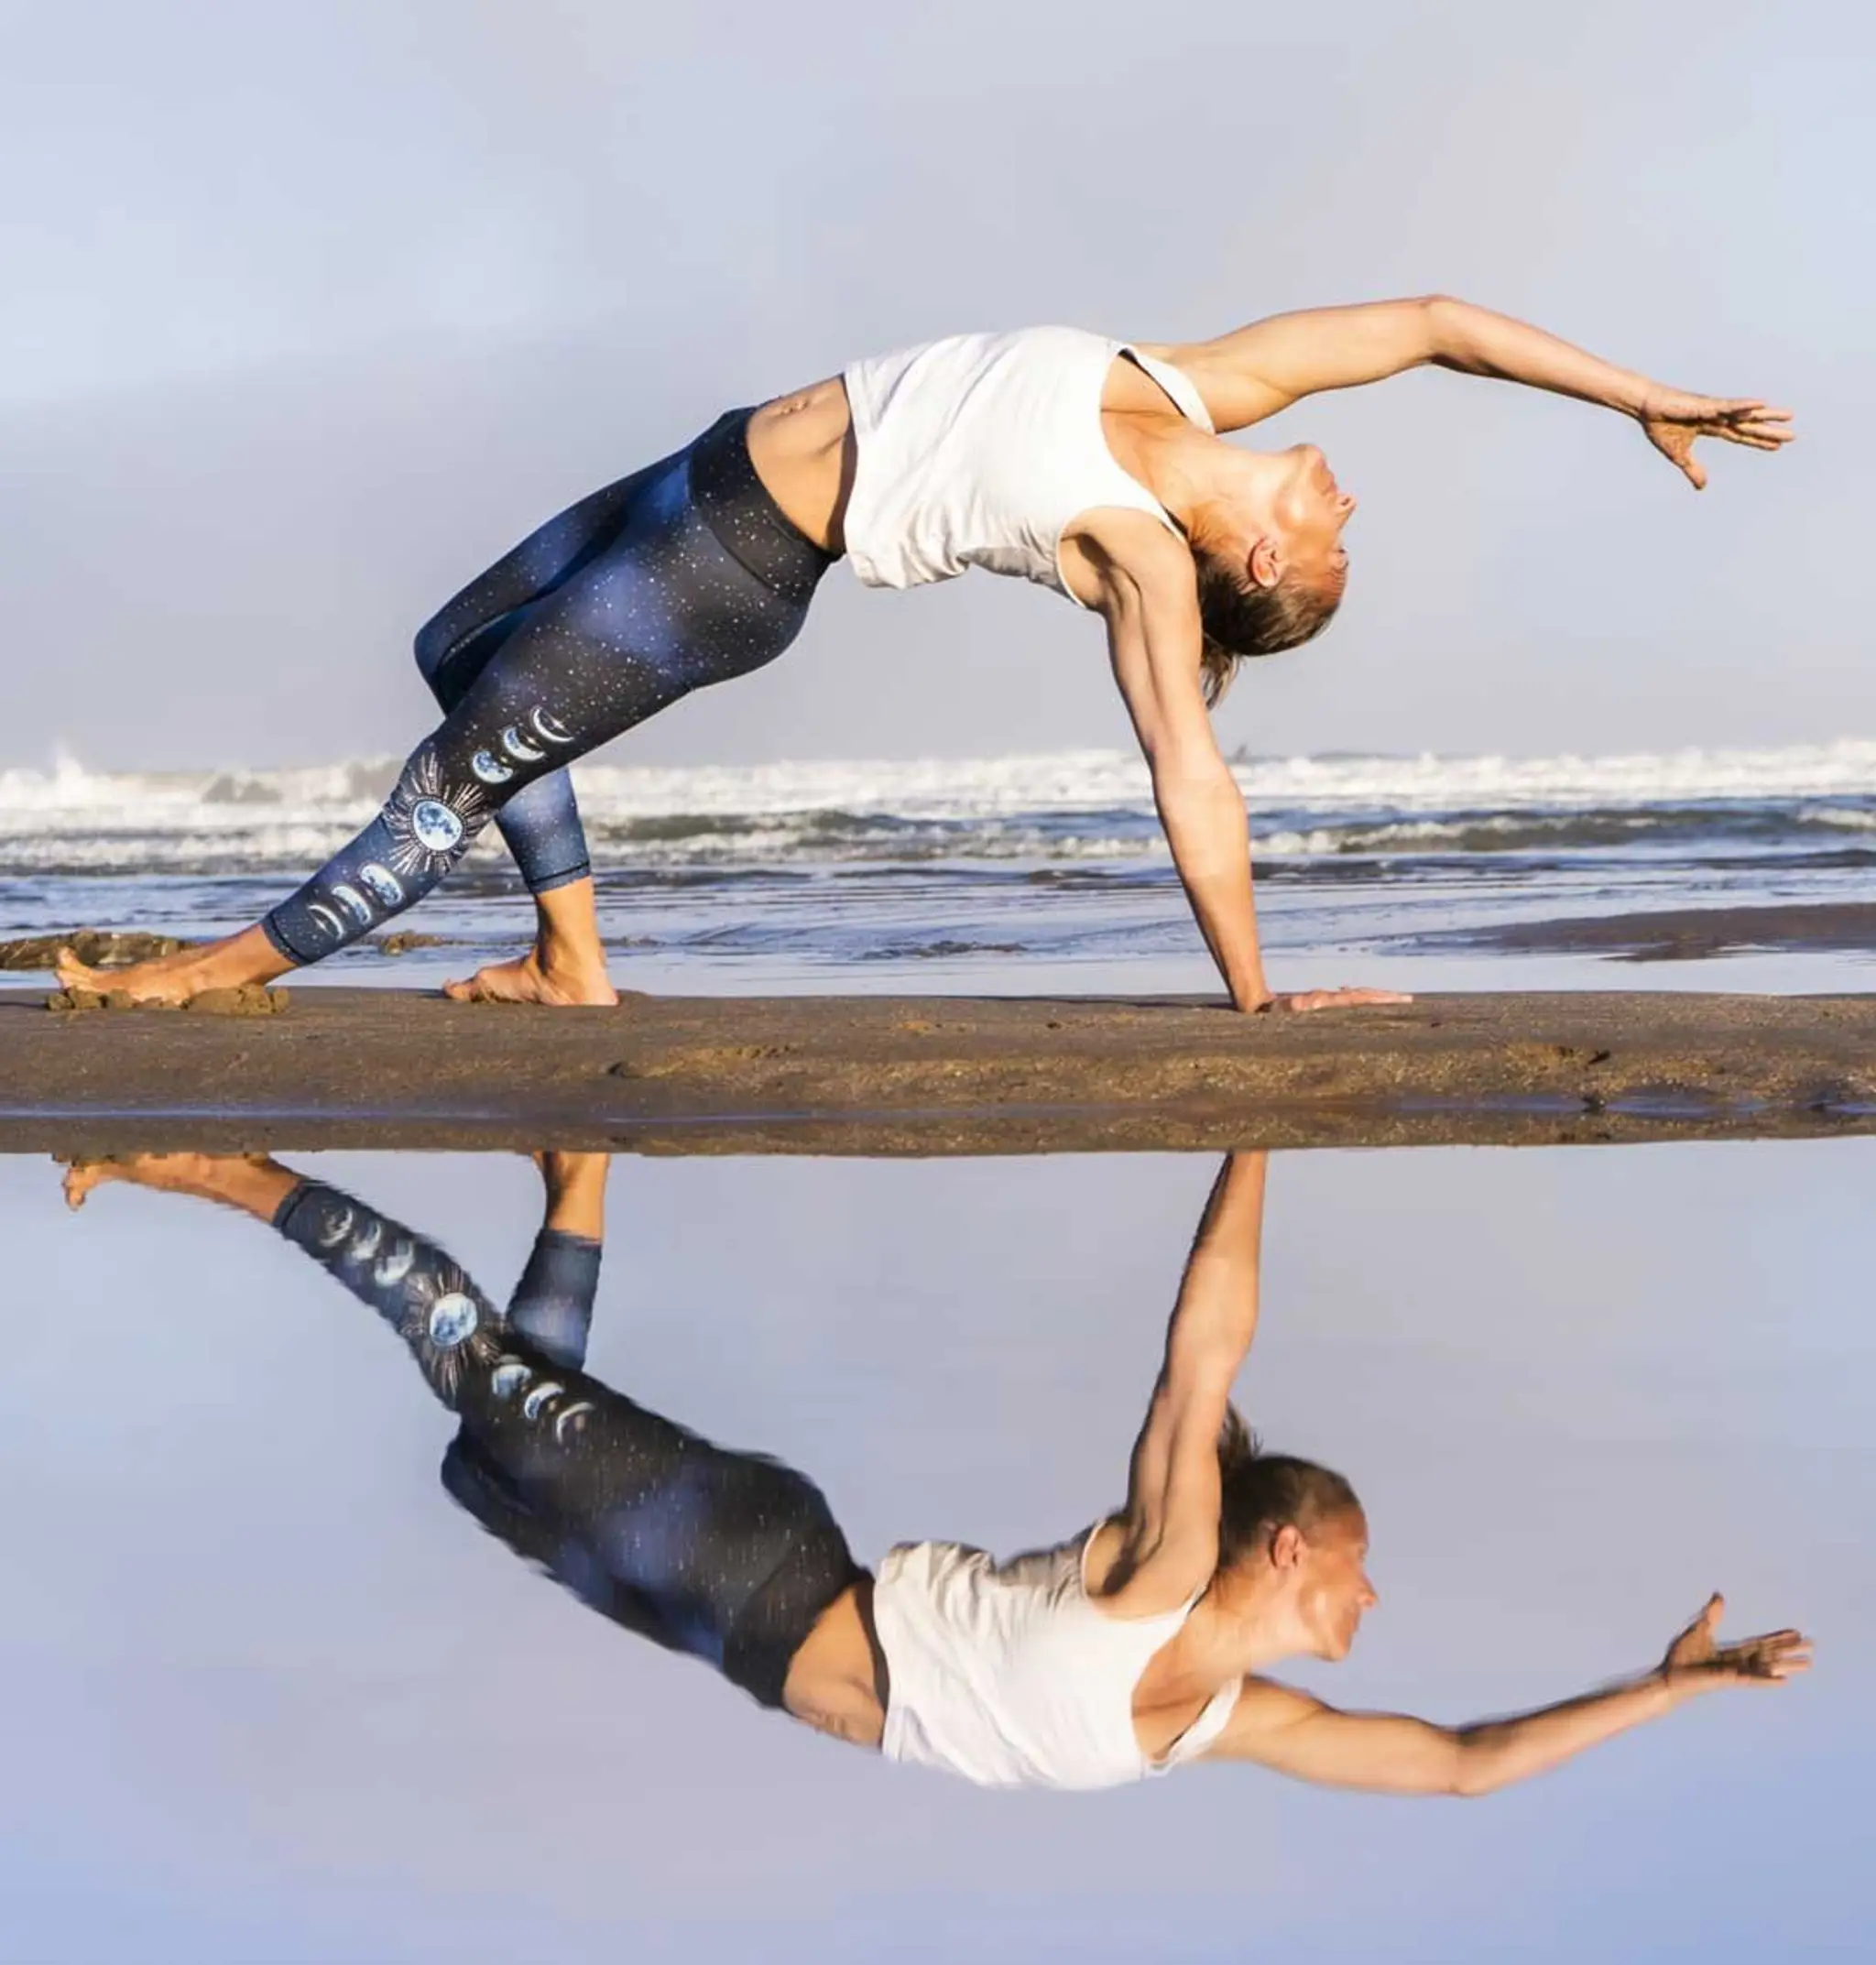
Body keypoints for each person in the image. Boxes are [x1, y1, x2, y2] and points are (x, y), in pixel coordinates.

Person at [57, 301, 1793, 1014]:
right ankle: (568, 958)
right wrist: (1643, 394)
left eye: (1338, 546)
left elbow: (1190, 773)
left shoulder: (1137, 559)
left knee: (460, 769)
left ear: (1256, 562)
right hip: (703, 465)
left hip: (729, 564)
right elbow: (1429, 327)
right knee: (454, 653)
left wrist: (1257, 1000)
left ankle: (213, 976)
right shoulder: (1201, 390)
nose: (1352, 504)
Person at [62, 1147, 1810, 1793]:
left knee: (497, 1466)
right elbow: (1209, 1340)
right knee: (485, 1393)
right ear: (1282, 1551)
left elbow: (1454, 1767)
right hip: (769, 1569)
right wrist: (1275, 1112)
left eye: (1363, 1576)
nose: (1374, 1594)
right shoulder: (1170, 1558)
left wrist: (1670, 1693)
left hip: (732, 1643)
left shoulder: (1225, 1722)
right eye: (1360, 1567)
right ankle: (221, 1167)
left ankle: (579, 1176)